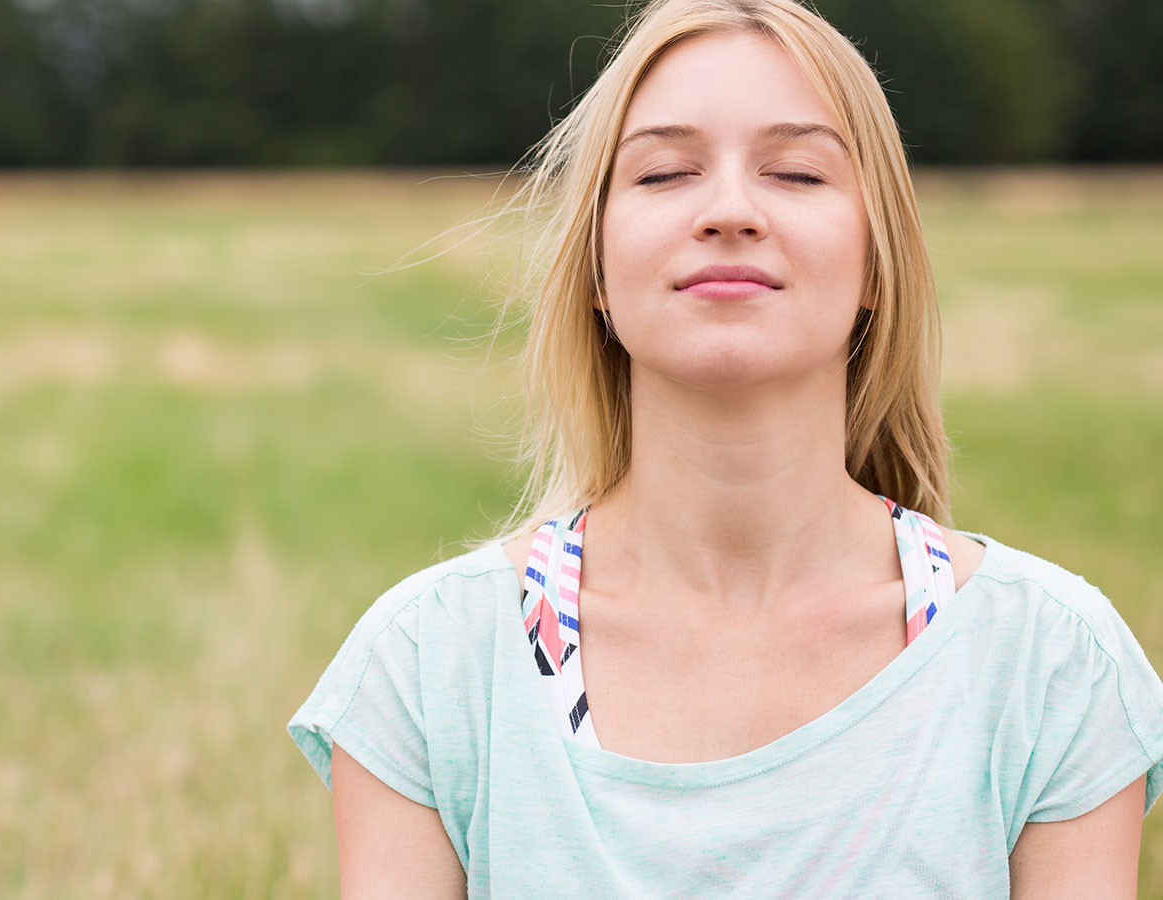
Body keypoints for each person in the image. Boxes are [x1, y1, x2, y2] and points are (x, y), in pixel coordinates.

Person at [288, 0, 1163, 895]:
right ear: (594, 265)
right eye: (666, 174)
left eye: (795, 172)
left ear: (876, 259)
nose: (731, 210)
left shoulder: (1051, 663)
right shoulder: (433, 667)